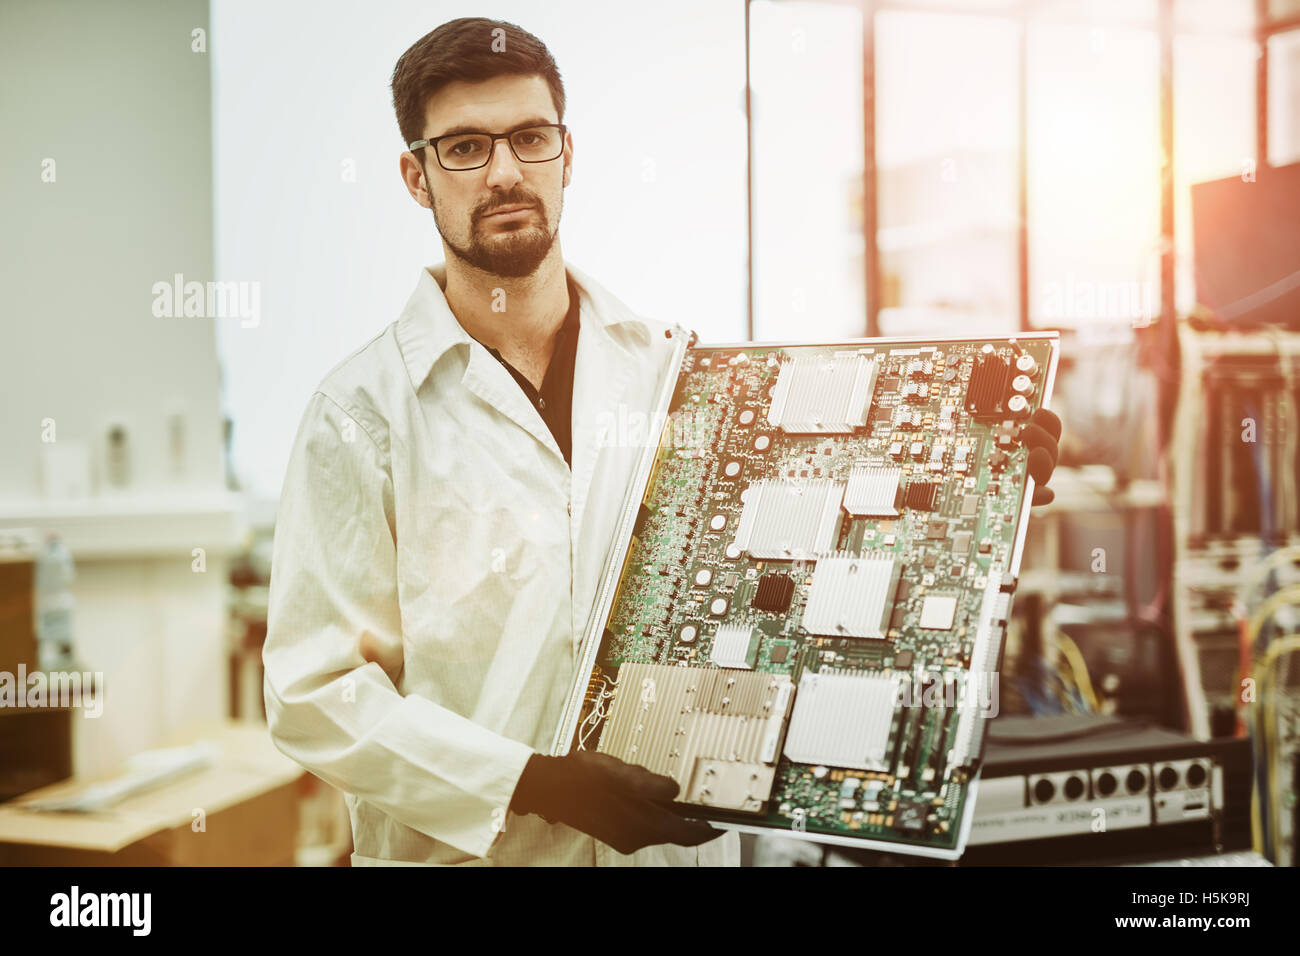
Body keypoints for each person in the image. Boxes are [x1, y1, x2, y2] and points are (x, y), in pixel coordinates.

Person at [262, 16, 1061, 868]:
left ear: (568, 155)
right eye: (463, 148)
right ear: (415, 177)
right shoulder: (360, 415)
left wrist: (978, 472)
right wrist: (530, 781)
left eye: (529, 138)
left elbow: (799, 562)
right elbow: (316, 697)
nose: (504, 172)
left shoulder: (676, 373)